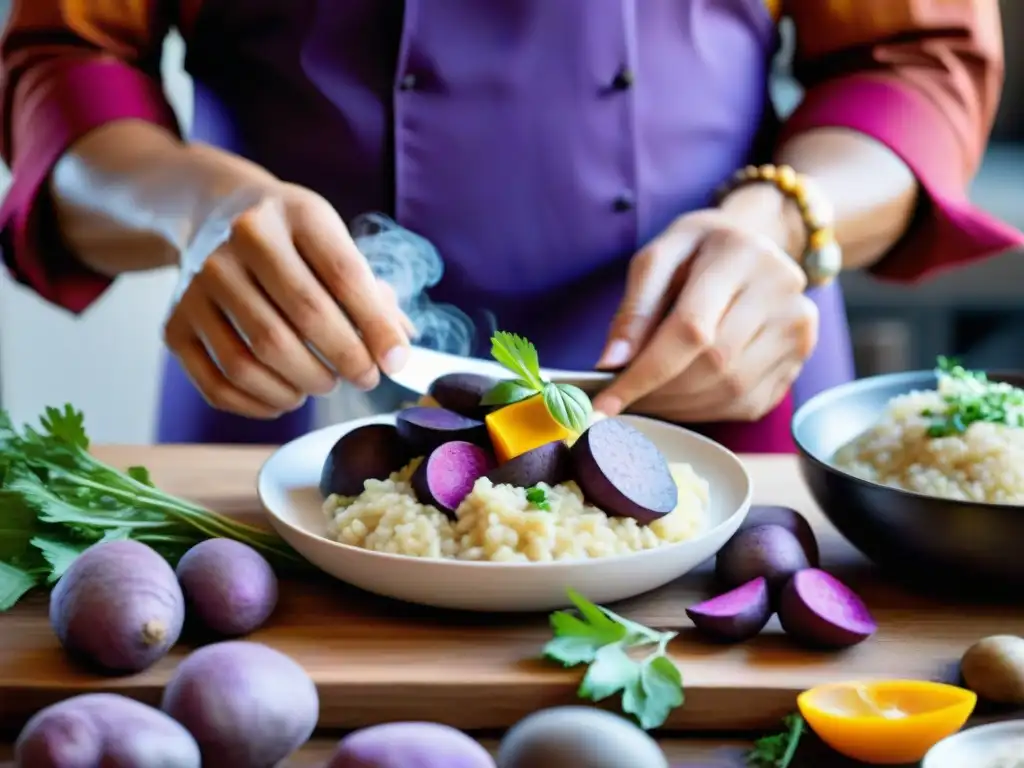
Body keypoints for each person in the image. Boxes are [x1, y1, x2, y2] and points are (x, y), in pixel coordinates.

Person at [1, 0, 1020, 452]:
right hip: (280, 371)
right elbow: (64, 60)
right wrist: (194, 208)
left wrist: (785, 222)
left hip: (717, 377)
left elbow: (915, 57)